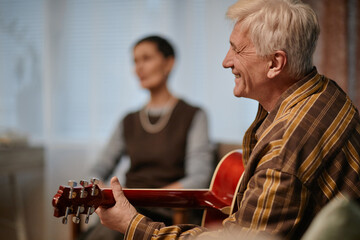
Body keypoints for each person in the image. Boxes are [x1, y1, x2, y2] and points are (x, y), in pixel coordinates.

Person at [95, 0, 360, 240]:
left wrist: (132, 224)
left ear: (275, 64)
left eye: (236, 49)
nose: (225, 61)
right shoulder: (327, 92)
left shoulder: (282, 151)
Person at [83, 35, 213, 239]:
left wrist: (150, 198)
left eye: (146, 58)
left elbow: (199, 176)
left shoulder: (194, 115)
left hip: (168, 215)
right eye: (135, 61)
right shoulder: (128, 120)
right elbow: (98, 168)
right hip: (128, 207)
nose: (139, 68)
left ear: (169, 63)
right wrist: (99, 187)